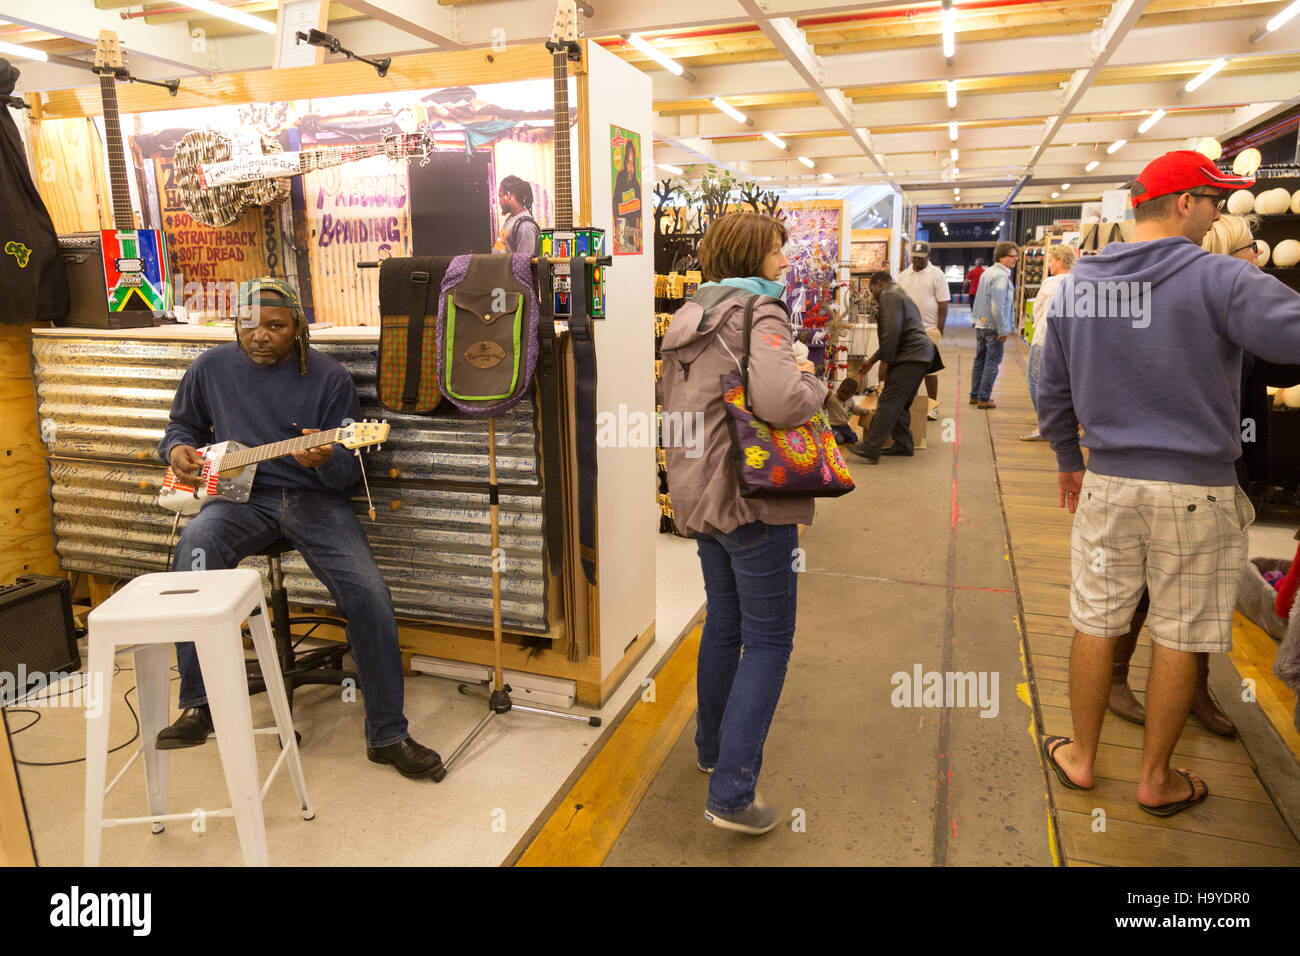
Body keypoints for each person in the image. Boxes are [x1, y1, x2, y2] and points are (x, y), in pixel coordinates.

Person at [1036, 150, 1300, 816]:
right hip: (1198, 491)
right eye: (1214, 202)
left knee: (1096, 622)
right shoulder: (1222, 280)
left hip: (1107, 485)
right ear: (1184, 203)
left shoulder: (1080, 286)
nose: (1218, 214)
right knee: (1181, 633)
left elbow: (1051, 385)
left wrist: (1069, 457)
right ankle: (1156, 779)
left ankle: (1082, 758)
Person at [156, 277, 446, 780]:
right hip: (240, 497)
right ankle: (199, 704)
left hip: (315, 500)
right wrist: (177, 451)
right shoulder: (209, 369)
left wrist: (323, 461)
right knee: (194, 552)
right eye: (250, 324)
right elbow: (182, 428)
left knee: (369, 594)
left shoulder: (329, 380)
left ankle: (387, 733)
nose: (261, 335)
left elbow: (348, 473)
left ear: (298, 330)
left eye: (275, 326)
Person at [658, 211, 825, 835]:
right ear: (755, 252)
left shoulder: (690, 316)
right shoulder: (762, 314)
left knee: (724, 624)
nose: (784, 262)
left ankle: (710, 749)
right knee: (770, 642)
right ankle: (732, 794)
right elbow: (781, 400)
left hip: (699, 496)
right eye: (778, 250)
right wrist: (813, 383)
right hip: (752, 498)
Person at [1106, 213, 1297, 737]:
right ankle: (1137, 686)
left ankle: (1183, 688)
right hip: (1188, 466)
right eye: (1250, 248)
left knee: (1190, 591)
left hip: (1206, 459)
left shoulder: (1225, 293)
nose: (1257, 256)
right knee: (1166, 589)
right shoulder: (1217, 292)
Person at [848, 270, 937, 464]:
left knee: (888, 401)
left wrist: (884, 364)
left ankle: (872, 448)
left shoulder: (889, 295)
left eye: (872, 290)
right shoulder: (898, 294)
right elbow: (896, 334)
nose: (872, 295)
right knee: (900, 403)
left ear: (879, 284)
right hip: (919, 355)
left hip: (911, 356)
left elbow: (892, 333)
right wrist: (872, 360)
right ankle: (904, 444)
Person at [1020, 244, 1077, 441]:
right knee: (1063, 382)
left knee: (1035, 380)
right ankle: (1063, 422)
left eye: (1051, 261)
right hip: (1067, 339)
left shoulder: (1052, 283)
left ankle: (1046, 424)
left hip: (1045, 337)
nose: (1050, 265)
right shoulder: (1079, 282)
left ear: (1061, 261)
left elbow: (1037, 310)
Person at [895, 240, 950, 421]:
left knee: (929, 370)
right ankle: (913, 405)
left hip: (930, 329)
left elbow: (943, 304)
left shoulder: (937, 275)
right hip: (908, 330)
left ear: (929, 256)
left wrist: (939, 328)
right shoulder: (904, 276)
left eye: (921, 258)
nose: (917, 261)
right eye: (915, 257)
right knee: (910, 369)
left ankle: (932, 406)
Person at [969, 242, 1019, 410]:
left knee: (980, 360)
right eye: (1011, 256)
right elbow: (997, 305)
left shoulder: (987, 273)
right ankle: (984, 397)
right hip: (993, 326)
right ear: (1000, 257)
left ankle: (975, 395)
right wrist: (1003, 329)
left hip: (981, 324)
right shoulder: (1001, 276)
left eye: (1016, 256)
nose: (1015, 259)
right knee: (992, 361)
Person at [494, 175, 540, 255]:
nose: (499, 201)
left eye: (500, 196)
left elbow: (523, 264)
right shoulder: (512, 219)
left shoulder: (525, 226)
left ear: (508, 195)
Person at [613, 138, 642, 250]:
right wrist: (617, 226)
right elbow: (615, 203)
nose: (630, 167)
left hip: (632, 237)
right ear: (625, 163)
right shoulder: (621, 177)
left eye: (632, 162)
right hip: (622, 235)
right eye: (628, 162)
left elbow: (638, 214)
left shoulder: (636, 185)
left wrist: (637, 236)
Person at [826, 377, 864, 445]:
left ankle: (842, 435)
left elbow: (855, 409)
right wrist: (826, 394)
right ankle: (831, 433)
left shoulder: (850, 401)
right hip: (833, 426)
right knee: (840, 440)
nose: (843, 395)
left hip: (845, 426)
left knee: (854, 439)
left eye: (846, 394)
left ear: (852, 394)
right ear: (839, 388)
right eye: (842, 391)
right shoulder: (831, 397)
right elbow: (822, 398)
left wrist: (865, 411)